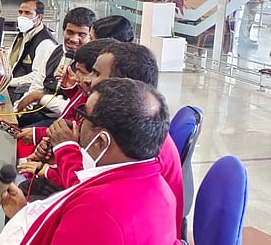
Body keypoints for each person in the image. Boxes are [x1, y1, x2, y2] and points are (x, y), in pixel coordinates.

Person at [0, 79, 178, 244]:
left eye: (84, 116)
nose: (77, 125)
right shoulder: (162, 190)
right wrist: (23, 212)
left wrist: (20, 221)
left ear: (101, 141)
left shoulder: (96, 211)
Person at [32, 42, 183, 236]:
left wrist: (65, 149)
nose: (87, 79)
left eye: (95, 74)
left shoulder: (139, 144)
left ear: (122, 85)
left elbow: (93, 195)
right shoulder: (138, 129)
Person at [15, 7, 95, 127]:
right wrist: (17, 109)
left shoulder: (91, 65)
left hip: (62, 121)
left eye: (81, 35)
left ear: (90, 36)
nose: (74, 39)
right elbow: (36, 87)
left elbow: (70, 109)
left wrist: (40, 97)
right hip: (39, 113)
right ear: (63, 30)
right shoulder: (52, 51)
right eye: (70, 32)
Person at [7, 0, 57, 102]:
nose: (22, 16)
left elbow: (36, 76)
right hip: (13, 86)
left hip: (24, 93)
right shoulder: (24, 34)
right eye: (20, 12)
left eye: (27, 13)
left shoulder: (45, 42)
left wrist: (9, 81)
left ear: (39, 17)